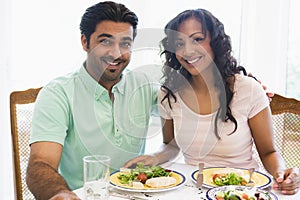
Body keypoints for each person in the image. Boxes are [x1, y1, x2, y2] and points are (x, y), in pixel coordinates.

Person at [124, 8, 299, 195]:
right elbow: (171, 145)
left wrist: (282, 173)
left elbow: (268, 152)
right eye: (179, 43)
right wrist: (152, 157)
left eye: (197, 39)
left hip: (241, 191)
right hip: (192, 189)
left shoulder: (248, 89)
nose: (188, 50)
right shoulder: (169, 93)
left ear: (215, 42)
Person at [26, 1, 159, 199]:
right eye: (105, 41)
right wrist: (61, 193)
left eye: (125, 43)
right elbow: (40, 164)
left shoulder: (145, 86)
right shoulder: (58, 93)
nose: (116, 53)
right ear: (85, 42)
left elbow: (188, 111)